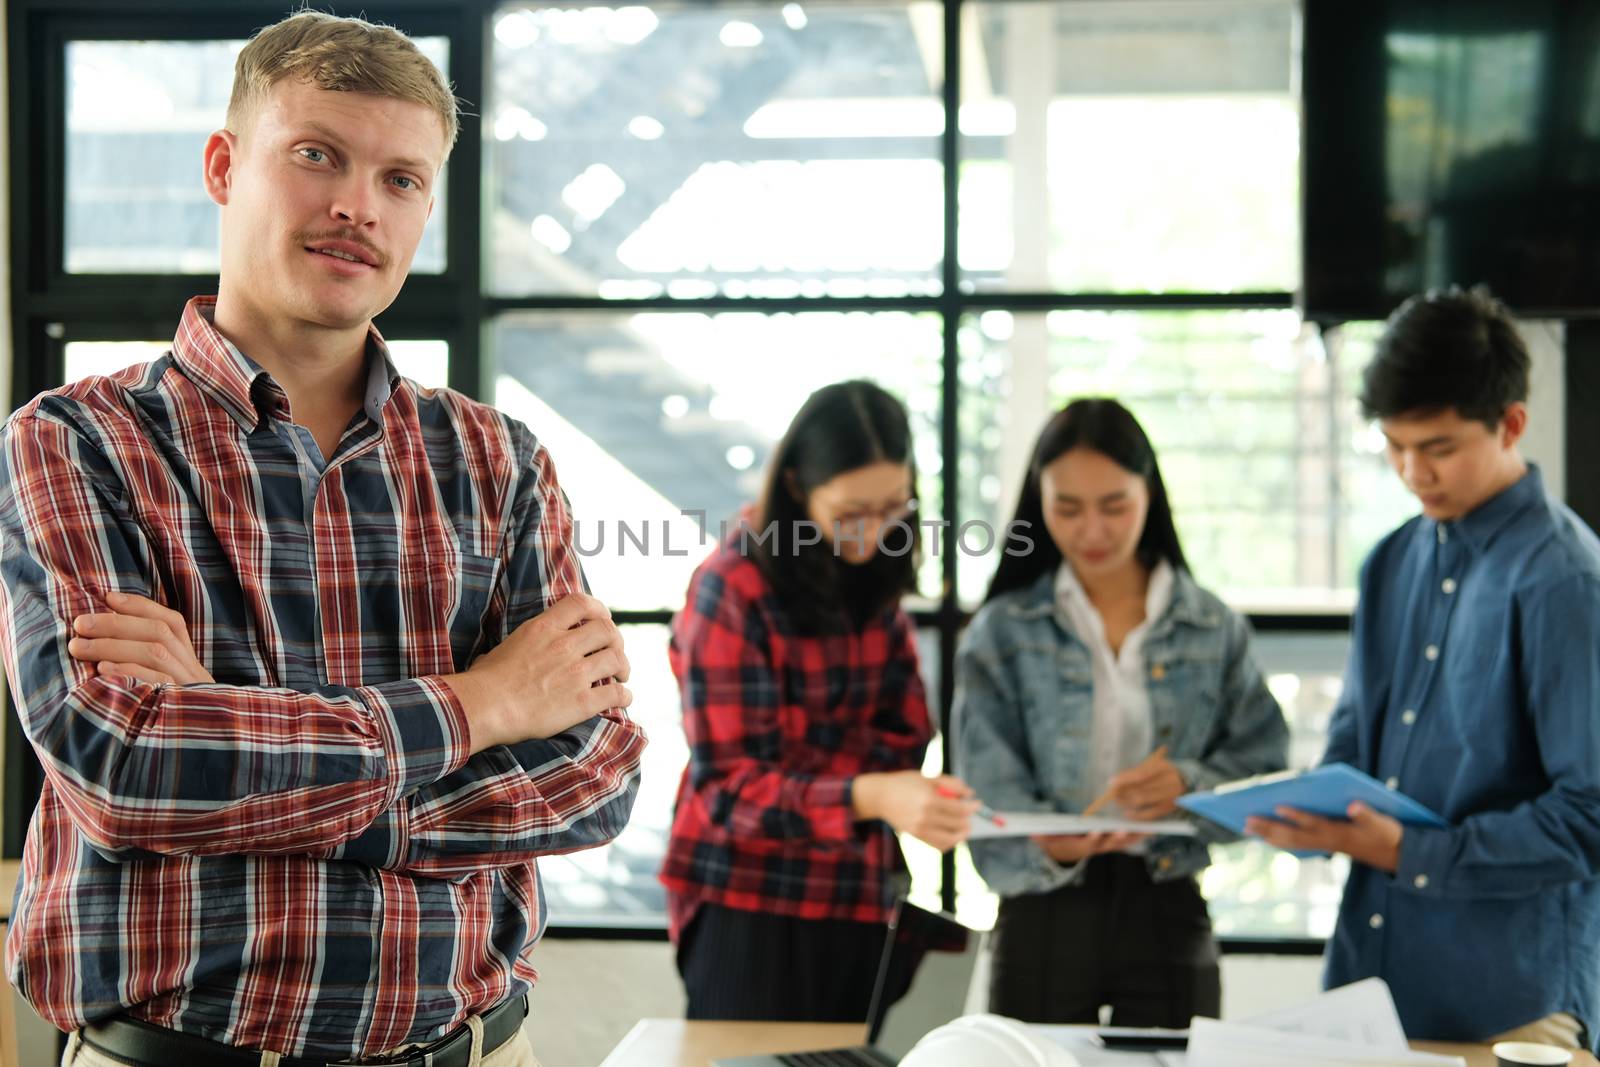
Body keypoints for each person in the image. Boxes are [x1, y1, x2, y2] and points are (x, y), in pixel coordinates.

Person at [0, 12, 645, 1066]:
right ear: (223, 164)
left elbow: (597, 767)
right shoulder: (76, 441)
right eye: (316, 156)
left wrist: (234, 750)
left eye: (402, 179)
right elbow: (127, 764)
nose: (358, 205)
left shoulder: (499, 460)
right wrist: (483, 705)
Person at [1247, 287, 1600, 1052]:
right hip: (1370, 998)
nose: (1412, 471)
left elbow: (1591, 814)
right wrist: (1309, 817)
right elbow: (1354, 748)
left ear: (1511, 424)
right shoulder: (1391, 563)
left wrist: (1410, 852)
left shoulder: (1565, 580)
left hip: (1512, 1009)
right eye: (1394, 445)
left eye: (1437, 448)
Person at [954, 398, 1288, 1027]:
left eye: (1115, 505)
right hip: (1041, 906)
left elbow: (1264, 768)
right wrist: (1051, 842)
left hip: (1166, 900)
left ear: (1149, 495)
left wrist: (1189, 784)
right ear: (1037, 502)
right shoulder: (1001, 631)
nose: (1093, 532)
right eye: (1067, 508)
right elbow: (982, 786)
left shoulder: (1212, 626)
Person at [659, 380, 977, 1021]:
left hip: (860, 893)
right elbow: (733, 791)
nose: (877, 529)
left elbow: (910, 731)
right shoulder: (733, 584)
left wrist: (806, 757)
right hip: (747, 903)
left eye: (895, 506)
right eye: (854, 512)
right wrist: (871, 791)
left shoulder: (876, 569)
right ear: (800, 486)